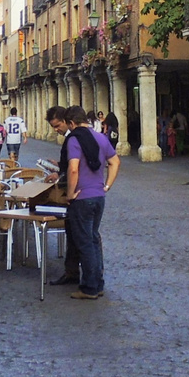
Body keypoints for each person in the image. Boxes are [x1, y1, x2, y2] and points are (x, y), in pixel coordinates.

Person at [64, 105, 119, 300]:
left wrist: (70, 194)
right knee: (94, 239)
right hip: (98, 196)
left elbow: (73, 169)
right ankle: (98, 283)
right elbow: (115, 162)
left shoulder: (74, 140)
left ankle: (89, 287)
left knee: (85, 242)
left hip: (82, 197)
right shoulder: (101, 138)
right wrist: (107, 185)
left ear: (71, 123)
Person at [46, 106, 82, 288]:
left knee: (82, 234)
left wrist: (62, 179)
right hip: (72, 189)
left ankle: (88, 277)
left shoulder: (74, 139)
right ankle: (72, 271)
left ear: (67, 122)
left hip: (75, 192)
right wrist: (59, 167)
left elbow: (75, 167)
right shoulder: (71, 139)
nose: (56, 130)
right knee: (72, 231)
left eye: (57, 125)